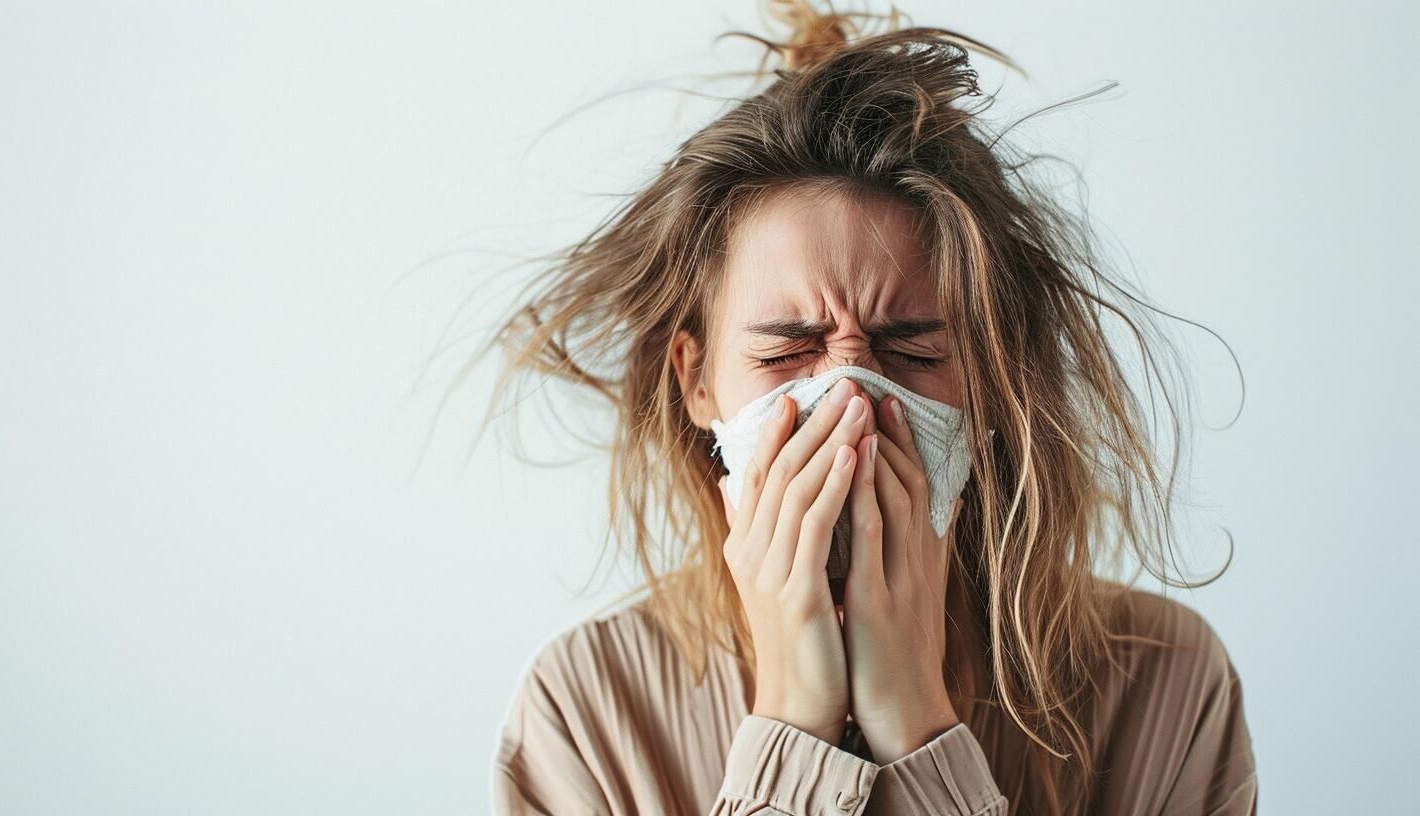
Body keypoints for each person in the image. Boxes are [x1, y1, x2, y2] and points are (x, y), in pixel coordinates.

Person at [484, 2, 1257, 813]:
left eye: (913, 352)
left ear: (993, 381)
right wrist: (792, 727)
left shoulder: (1163, 681)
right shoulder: (584, 712)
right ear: (696, 380)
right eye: (786, 351)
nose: (849, 398)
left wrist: (917, 725)